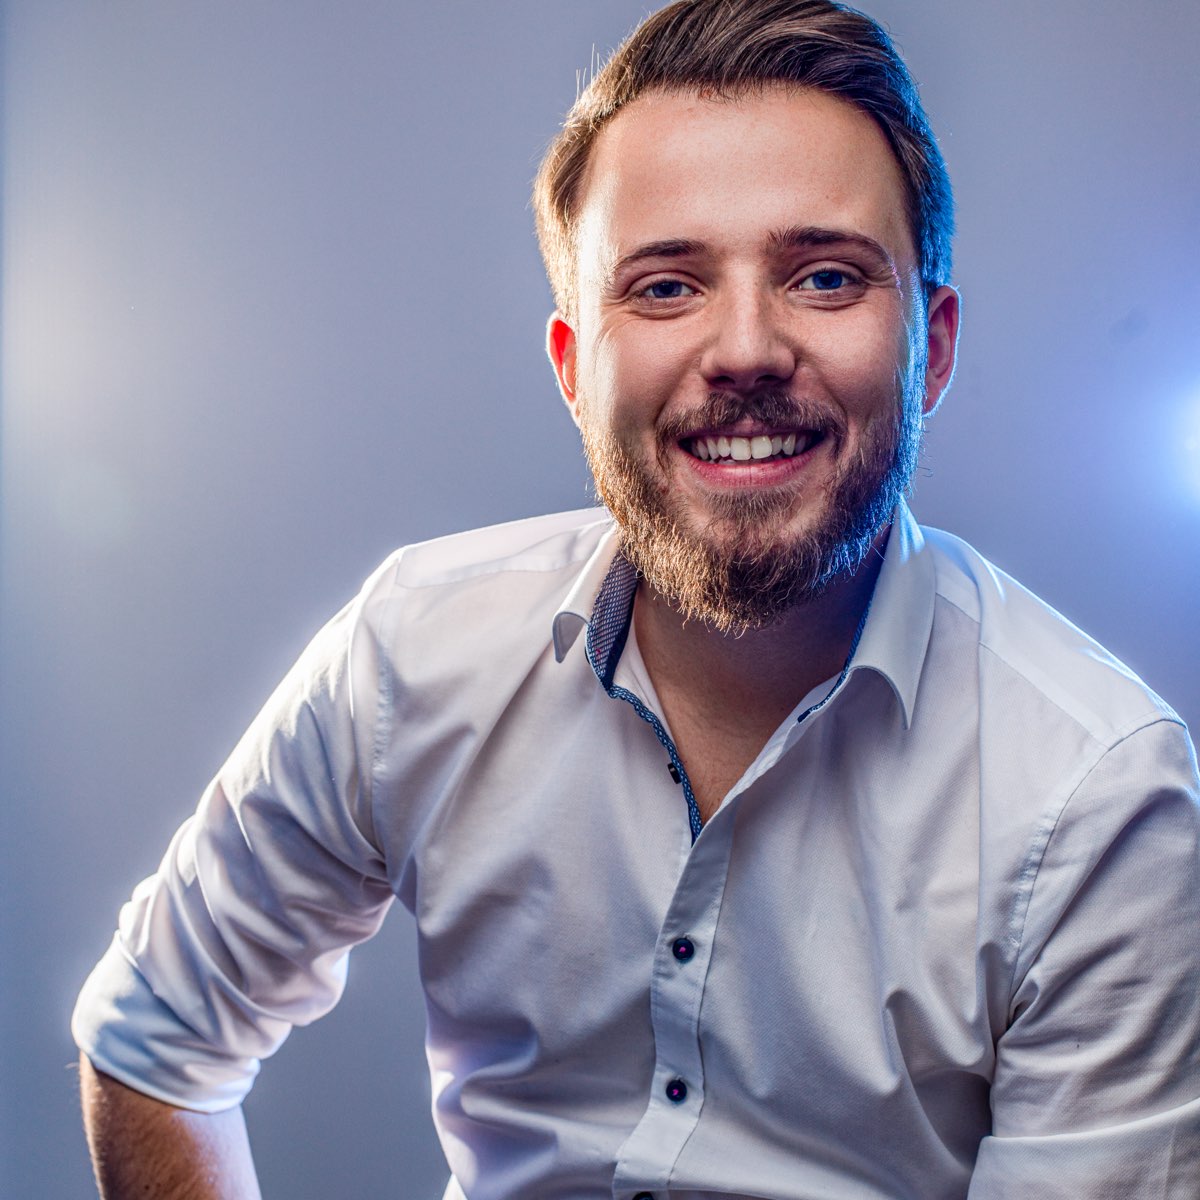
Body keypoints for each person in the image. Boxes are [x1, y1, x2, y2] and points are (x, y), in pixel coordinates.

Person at [73, 1, 1200, 1196]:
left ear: (935, 343)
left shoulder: (1099, 801)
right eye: (665, 288)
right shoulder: (412, 652)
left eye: (824, 275)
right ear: (573, 366)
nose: (747, 349)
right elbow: (156, 1042)